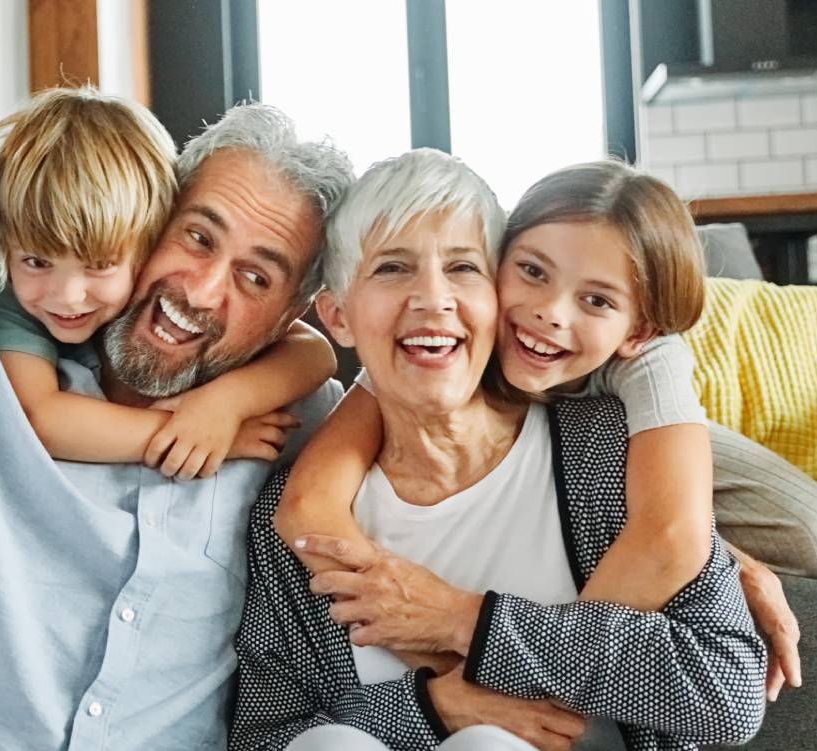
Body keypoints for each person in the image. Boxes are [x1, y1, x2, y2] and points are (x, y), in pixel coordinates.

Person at [0, 98, 352, 749]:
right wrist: (39, 179)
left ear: (288, 312)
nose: (203, 290)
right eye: (196, 236)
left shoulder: (300, 423)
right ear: (149, 214)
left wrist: (234, 397)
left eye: (254, 276)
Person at [232, 153, 767, 750]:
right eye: (391, 269)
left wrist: (468, 621)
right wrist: (435, 707)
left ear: (493, 293)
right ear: (337, 316)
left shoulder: (607, 452)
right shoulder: (296, 514)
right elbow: (263, 735)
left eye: (462, 267)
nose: (433, 300)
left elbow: (729, 691)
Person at [0, 87, 337, 480]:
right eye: (199, 238)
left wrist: (226, 404)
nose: (68, 295)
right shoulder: (1, 279)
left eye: (255, 277)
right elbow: (37, 417)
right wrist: (193, 434)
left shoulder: (314, 427)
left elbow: (314, 352)